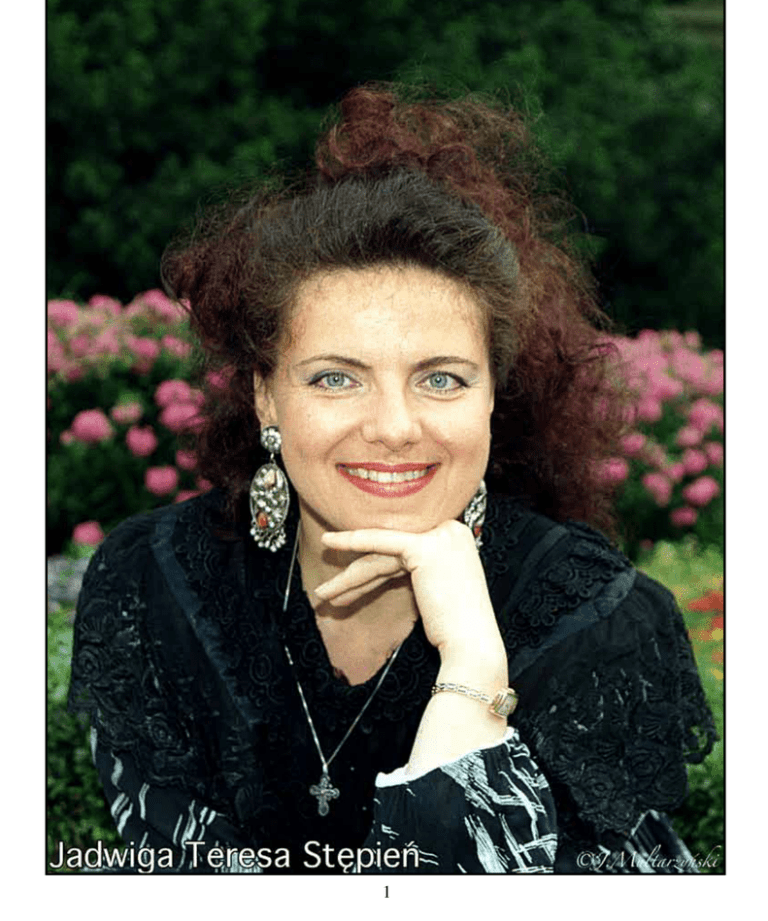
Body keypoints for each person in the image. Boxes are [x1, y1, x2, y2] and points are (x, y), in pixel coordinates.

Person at [68, 84, 716, 874]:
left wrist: (472, 671)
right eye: (336, 378)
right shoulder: (153, 582)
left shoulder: (599, 623)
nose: (395, 426)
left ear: (492, 398)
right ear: (266, 396)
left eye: (441, 379)